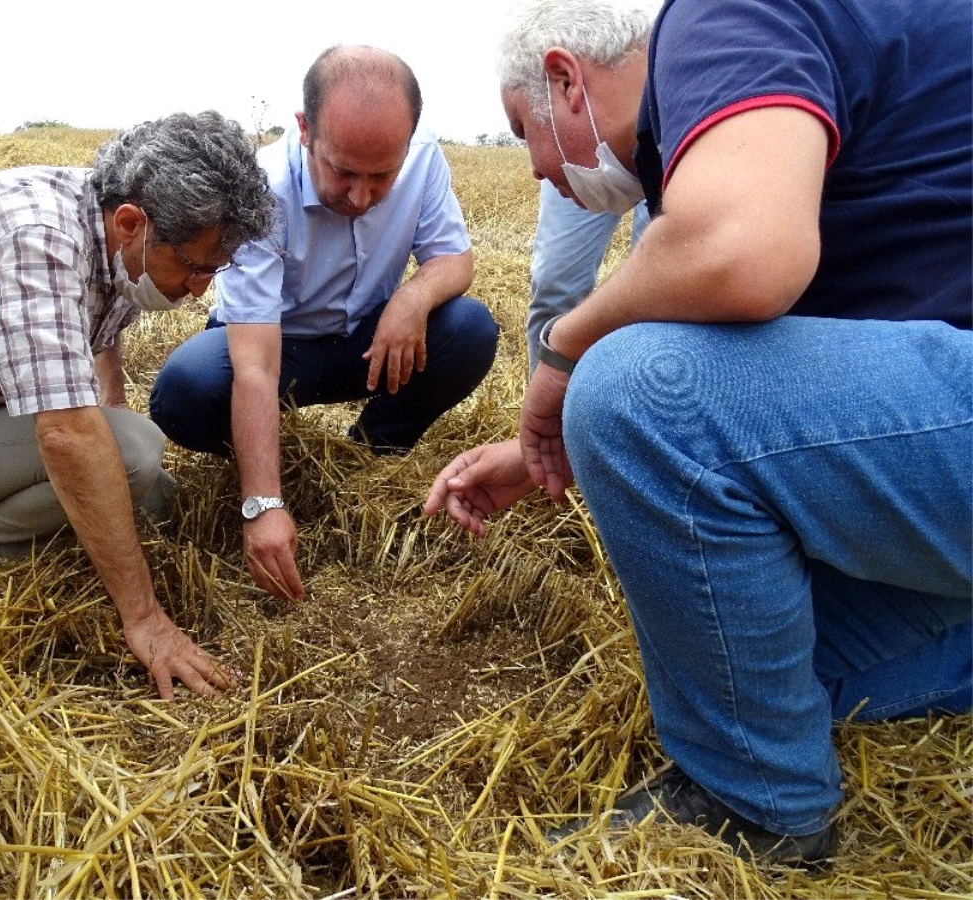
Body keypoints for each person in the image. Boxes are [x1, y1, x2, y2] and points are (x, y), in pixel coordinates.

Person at [426, 0, 973, 868]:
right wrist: (539, 459)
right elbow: (792, 393)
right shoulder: (720, 150)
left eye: (520, 130)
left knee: (633, 383)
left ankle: (754, 804)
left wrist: (569, 352)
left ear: (565, 79)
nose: (532, 171)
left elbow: (743, 252)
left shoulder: (720, 19)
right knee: (751, 670)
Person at [0, 112, 274, 699]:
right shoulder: (33, 238)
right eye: (194, 267)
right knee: (132, 453)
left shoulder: (107, 226)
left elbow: (99, 326)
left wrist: (111, 423)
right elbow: (65, 433)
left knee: (132, 467)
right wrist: (145, 619)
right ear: (131, 223)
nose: (200, 290)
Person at [150, 46, 499, 603]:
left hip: (367, 343)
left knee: (469, 329)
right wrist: (263, 504)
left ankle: (371, 452)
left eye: (382, 176)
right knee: (186, 387)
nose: (361, 197)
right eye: (343, 173)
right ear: (305, 130)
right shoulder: (260, 190)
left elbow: (455, 260)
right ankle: (269, 462)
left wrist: (412, 297)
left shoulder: (425, 158)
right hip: (275, 347)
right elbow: (256, 364)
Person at [526, 179, 647, 374]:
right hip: (588, 151)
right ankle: (547, 395)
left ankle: (636, 394)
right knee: (555, 282)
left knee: (651, 301)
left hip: (667, 152)